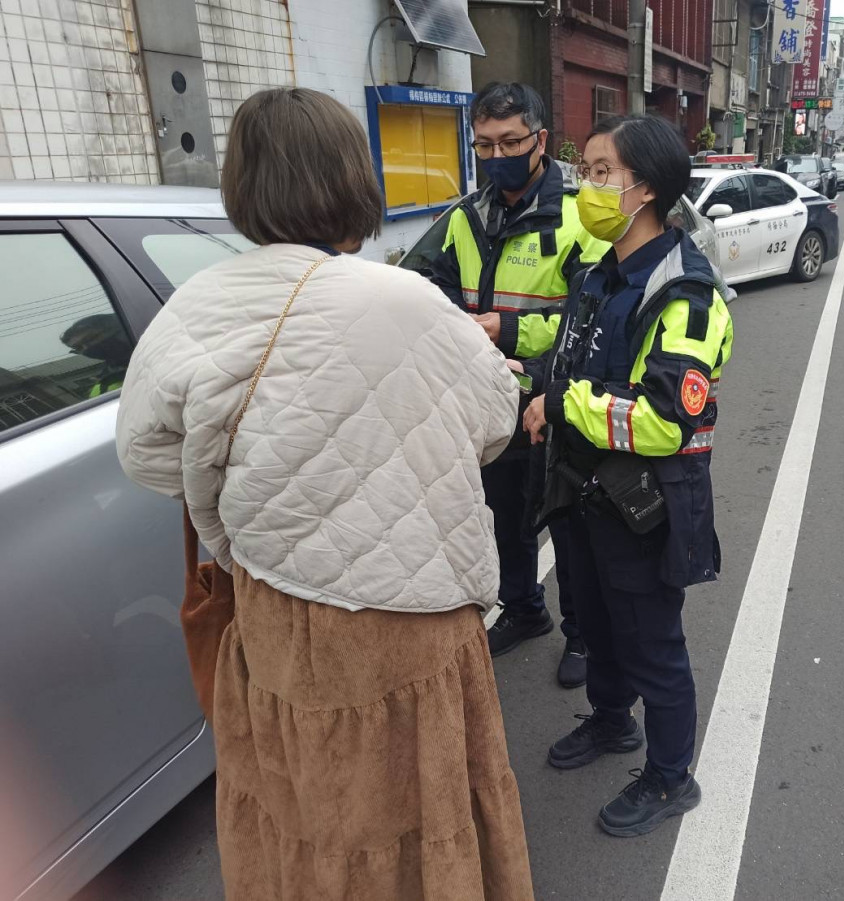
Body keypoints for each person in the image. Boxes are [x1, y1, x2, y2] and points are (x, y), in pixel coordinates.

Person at [115, 87, 534, 901]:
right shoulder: (401, 298)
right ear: (352, 179)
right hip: (406, 615)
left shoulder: (197, 303)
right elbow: (493, 419)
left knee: (301, 809)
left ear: (246, 187)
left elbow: (146, 455)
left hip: (275, 613)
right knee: (424, 808)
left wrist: (266, 480)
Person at [517, 115, 734, 837]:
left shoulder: (687, 298)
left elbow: (663, 421)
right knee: (598, 629)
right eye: (586, 170)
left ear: (644, 189)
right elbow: (574, 356)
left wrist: (562, 401)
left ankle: (673, 777)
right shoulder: (597, 274)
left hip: (640, 507)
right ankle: (613, 723)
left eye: (601, 171)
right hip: (582, 495)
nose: (587, 184)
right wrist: (540, 380)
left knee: (653, 648)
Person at [430, 82, 608, 687]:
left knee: (570, 520)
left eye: (510, 141)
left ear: (541, 140)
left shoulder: (583, 215)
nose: (496, 154)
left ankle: (582, 636)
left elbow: (596, 320)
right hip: (493, 396)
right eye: (483, 144)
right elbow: (423, 291)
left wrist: (505, 329)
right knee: (505, 515)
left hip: (561, 398)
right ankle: (526, 609)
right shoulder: (464, 215)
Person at [61, 313, 132, 397]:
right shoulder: (103, 388)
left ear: (113, 331)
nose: (87, 348)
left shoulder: (147, 344)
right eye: (78, 347)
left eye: (89, 339)